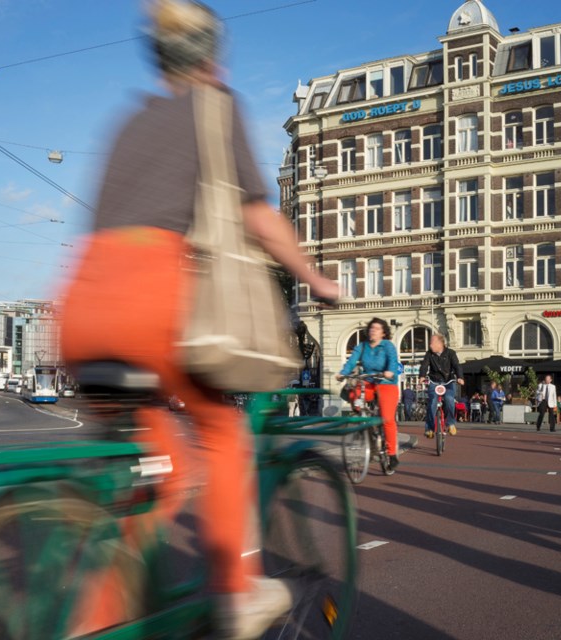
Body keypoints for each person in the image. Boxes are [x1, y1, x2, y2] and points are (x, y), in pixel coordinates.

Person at [58, 2, 338, 636]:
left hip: (80, 308)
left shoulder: (128, 122)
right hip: (148, 301)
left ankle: (89, 619)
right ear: (212, 57)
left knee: (155, 468)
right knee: (223, 436)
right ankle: (236, 588)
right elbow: (259, 217)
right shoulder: (216, 104)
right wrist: (315, 278)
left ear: (157, 59)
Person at [336, 318, 402, 469]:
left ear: (383, 333)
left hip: (386, 383)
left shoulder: (388, 346)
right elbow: (352, 361)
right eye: (372, 328)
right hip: (369, 382)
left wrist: (390, 372)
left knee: (387, 419)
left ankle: (392, 454)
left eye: (377, 329)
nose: (373, 330)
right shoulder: (362, 346)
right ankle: (363, 423)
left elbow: (393, 360)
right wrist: (343, 373)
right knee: (354, 394)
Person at [419, 333, 464, 439]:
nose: (430, 345)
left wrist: (460, 377)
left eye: (432, 343)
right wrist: (422, 376)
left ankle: (451, 424)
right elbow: (424, 366)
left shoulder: (451, 353)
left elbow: (457, 365)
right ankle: (429, 428)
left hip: (448, 381)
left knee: (449, 399)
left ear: (440, 343)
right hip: (434, 381)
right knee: (432, 403)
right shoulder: (429, 354)